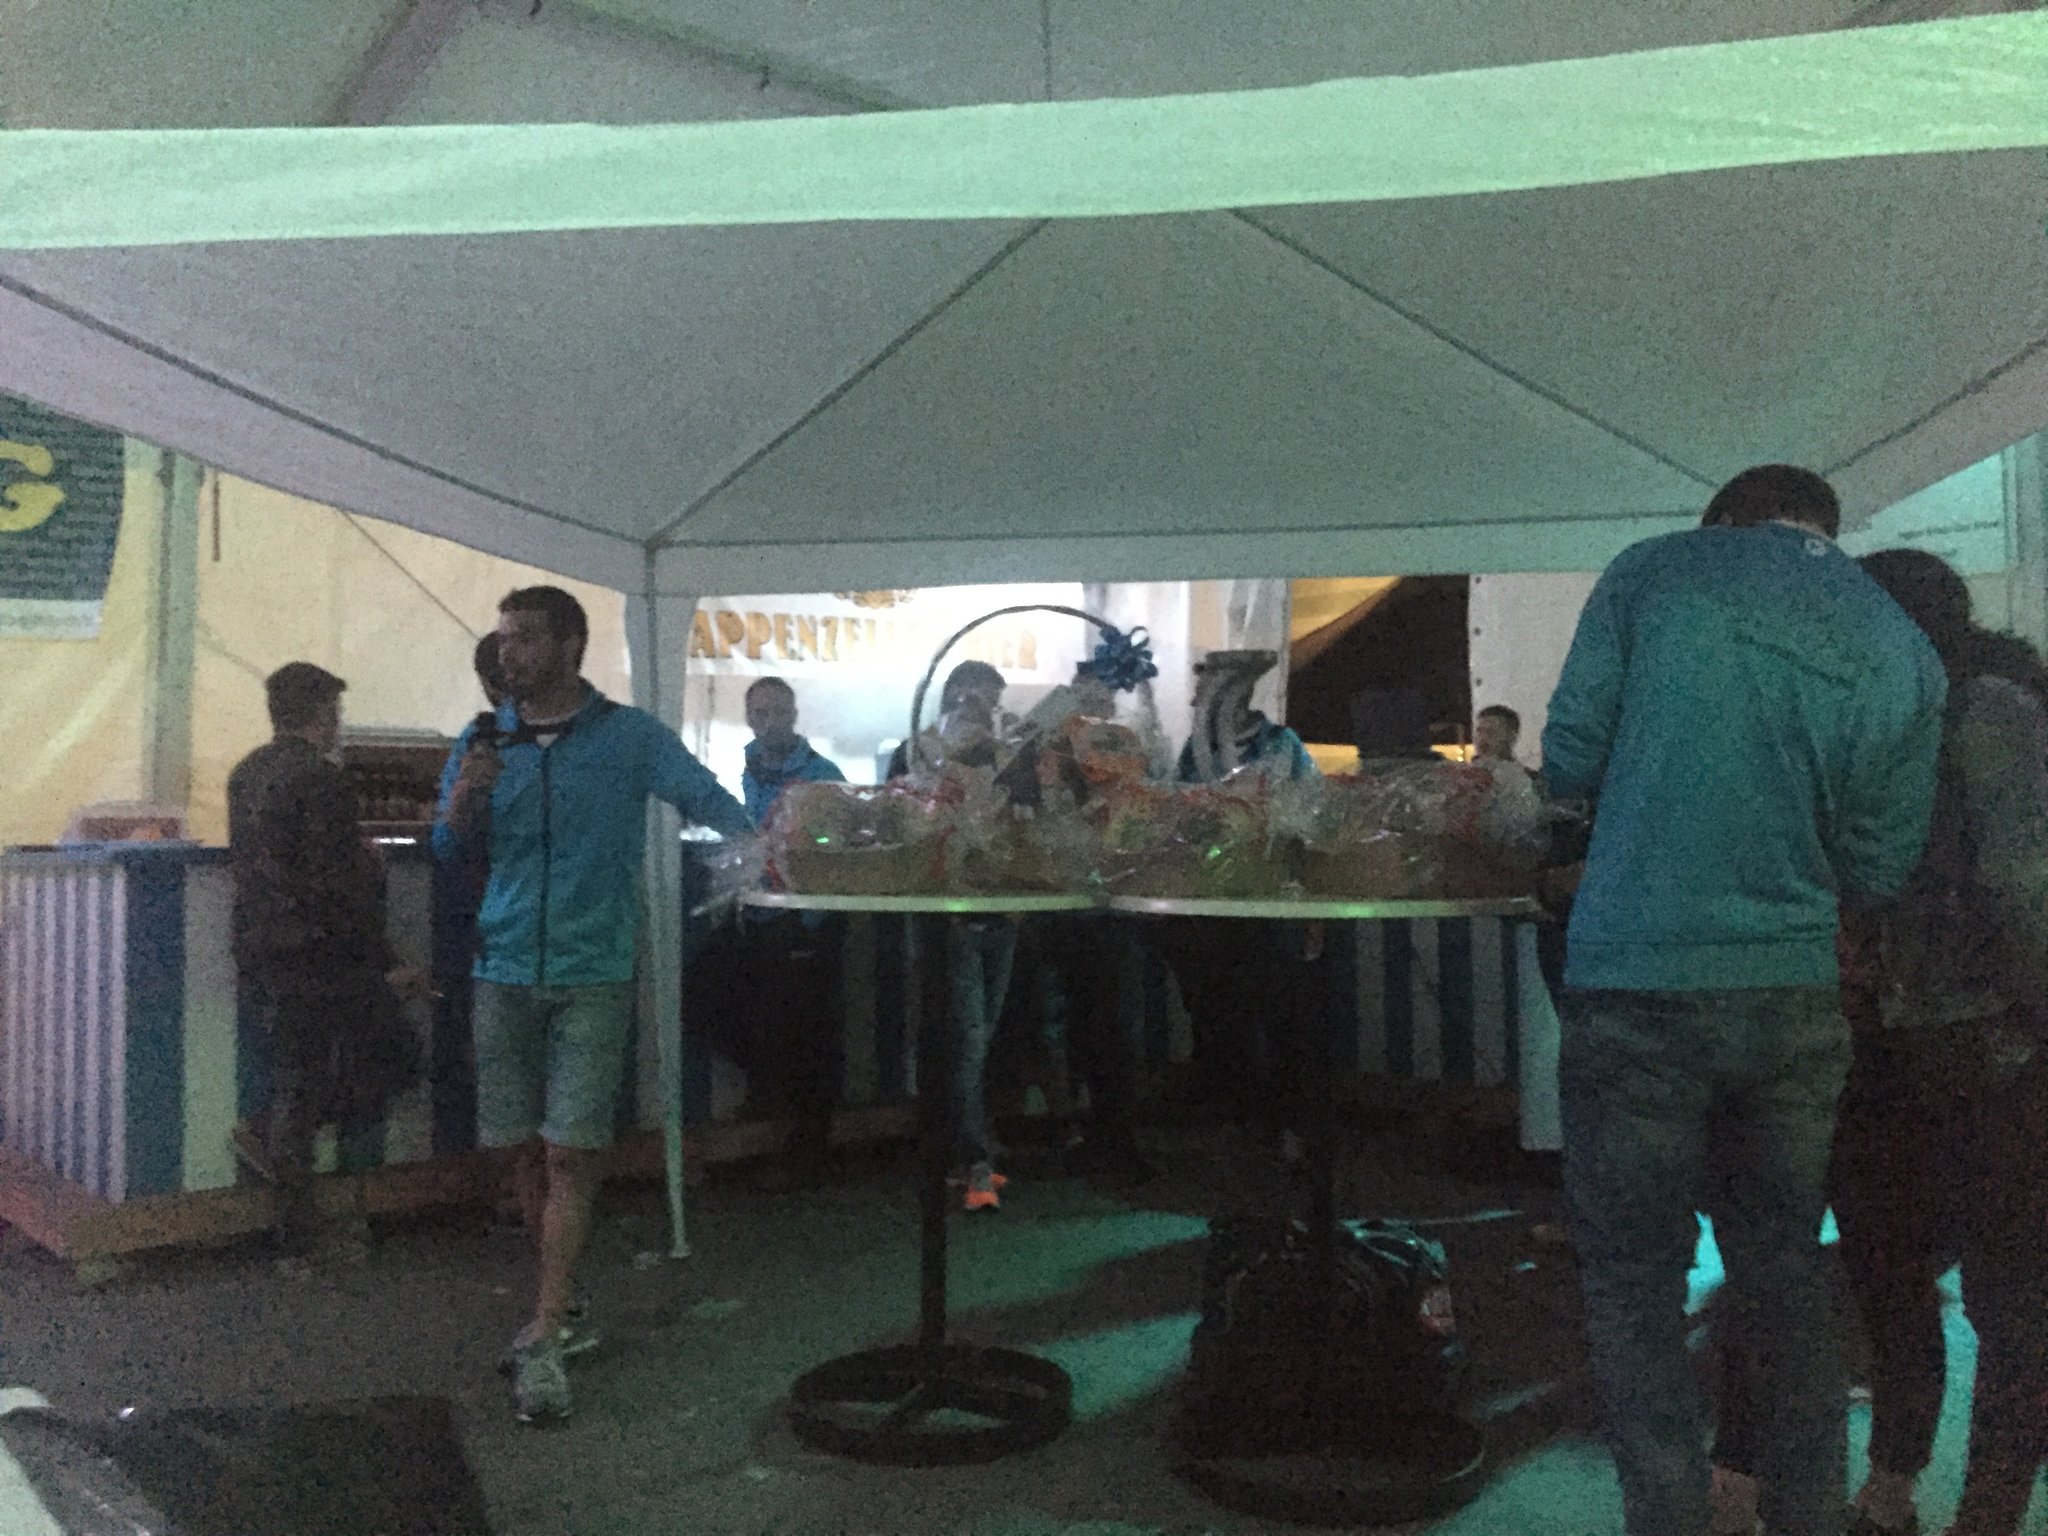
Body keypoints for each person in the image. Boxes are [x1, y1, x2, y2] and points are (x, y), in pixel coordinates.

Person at [1542, 464, 1946, 1536]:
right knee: (1784, 1275)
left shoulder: (1652, 575)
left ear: (1718, 521)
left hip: (1638, 981)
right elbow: (1878, 865)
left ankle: (1669, 1518)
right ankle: (1807, 1517)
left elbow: (1569, 756)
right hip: (1791, 998)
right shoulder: (1896, 640)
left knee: (1634, 1279)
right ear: (1825, 529)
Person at [1713, 551, 2048, 1536]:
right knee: (1932, 1282)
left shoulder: (1976, 711)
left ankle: (1953, 1505)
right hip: (1917, 1051)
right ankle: (1908, 1496)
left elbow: (2019, 889)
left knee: (1971, 1290)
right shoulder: (1930, 714)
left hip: (1955, 1046)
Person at [434, 586, 751, 1424]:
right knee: (520, 1150)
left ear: (571, 645)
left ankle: (545, 1330)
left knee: (572, 1152)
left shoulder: (630, 737)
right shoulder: (483, 738)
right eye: (503, 638)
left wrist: (776, 845)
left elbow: (711, 801)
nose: (508, 654)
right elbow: (447, 846)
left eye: (525, 638)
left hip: (594, 970)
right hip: (501, 965)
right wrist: (467, 794)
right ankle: (562, 1294)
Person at [229, 662, 431, 1273]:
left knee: (302, 1080)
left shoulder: (246, 773)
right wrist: (384, 959)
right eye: (335, 712)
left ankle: (290, 1203)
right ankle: (303, 1231)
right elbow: (336, 885)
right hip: (323, 956)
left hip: (263, 948)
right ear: (323, 714)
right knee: (385, 1063)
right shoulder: (323, 780)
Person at [694, 676, 847, 1187]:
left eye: (778, 712)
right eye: (761, 713)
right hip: (761, 914)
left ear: (794, 715)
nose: (770, 722)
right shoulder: (753, 770)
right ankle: (774, 1096)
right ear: (749, 718)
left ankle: (803, 1145)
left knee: (803, 1033)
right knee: (709, 996)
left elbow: (837, 844)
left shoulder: (821, 776)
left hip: (804, 918)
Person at [886, 659, 1019, 1211]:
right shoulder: (918, 753)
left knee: (978, 1038)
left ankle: (956, 1150)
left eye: (992, 701)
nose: (984, 710)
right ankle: (973, 1160)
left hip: (1000, 912)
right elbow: (900, 823)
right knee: (964, 1038)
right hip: (948, 916)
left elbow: (1022, 825)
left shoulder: (1007, 756)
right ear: (953, 695)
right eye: (977, 698)